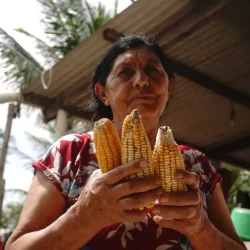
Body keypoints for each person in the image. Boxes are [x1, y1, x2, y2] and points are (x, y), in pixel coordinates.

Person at [5, 35, 246, 250]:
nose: (142, 81)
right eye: (125, 72)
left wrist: (201, 228)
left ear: (169, 88)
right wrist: (83, 216)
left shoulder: (195, 164)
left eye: (153, 71)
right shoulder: (69, 153)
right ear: (102, 93)